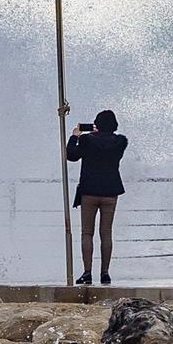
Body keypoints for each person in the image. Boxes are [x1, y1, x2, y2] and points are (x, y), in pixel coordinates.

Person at [65, 109, 127, 285]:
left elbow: (71, 156)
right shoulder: (121, 142)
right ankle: (105, 273)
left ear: (96, 125)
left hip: (89, 192)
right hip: (110, 192)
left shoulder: (86, 140)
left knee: (87, 233)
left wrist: (75, 136)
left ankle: (87, 273)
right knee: (106, 232)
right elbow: (107, 145)